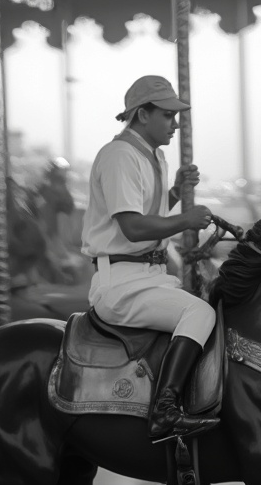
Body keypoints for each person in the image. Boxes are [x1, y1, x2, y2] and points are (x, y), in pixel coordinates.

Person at [81, 75, 219, 441]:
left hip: (149, 276)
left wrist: (175, 192)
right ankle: (165, 410)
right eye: (167, 115)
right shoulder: (119, 156)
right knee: (200, 312)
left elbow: (148, 214)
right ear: (142, 115)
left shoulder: (153, 155)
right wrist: (185, 219)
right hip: (122, 283)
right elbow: (132, 227)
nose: (175, 124)